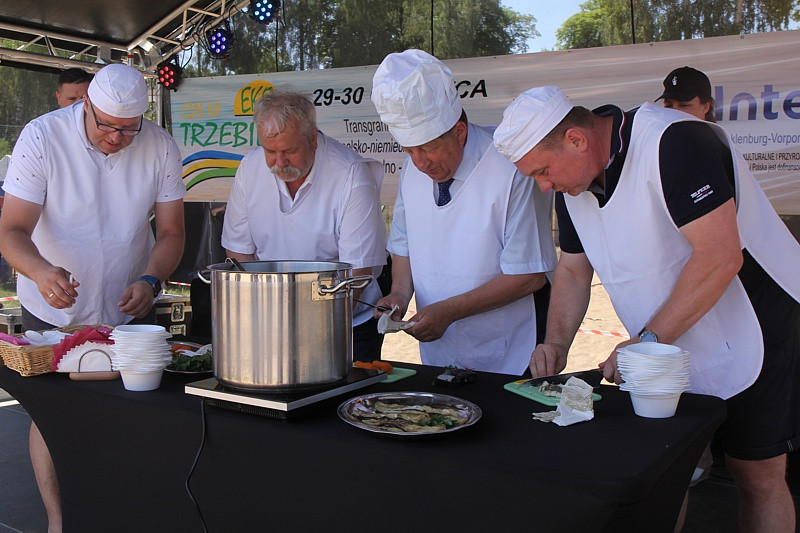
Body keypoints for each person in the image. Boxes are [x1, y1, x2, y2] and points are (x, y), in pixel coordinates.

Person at [493, 85, 800, 532]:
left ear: (577, 139)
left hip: (756, 322)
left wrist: (645, 343)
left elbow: (719, 256)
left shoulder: (675, 142)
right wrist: (555, 342)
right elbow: (575, 272)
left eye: (543, 171)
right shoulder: (572, 181)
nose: (544, 186)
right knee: (667, 471)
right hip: (663, 338)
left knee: (755, 472)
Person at [0, 63, 186, 532]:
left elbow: (171, 233)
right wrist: (41, 272)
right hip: (51, 304)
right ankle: (59, 522)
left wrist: (151, 280)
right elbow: (11, 231)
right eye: (107, 126)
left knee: (129, 413)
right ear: (85, 104)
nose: (118, 139)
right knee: (54, 416)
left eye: (128, 130)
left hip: (127, 305)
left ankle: (118, 515)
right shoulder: (42, 137)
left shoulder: (159, 143)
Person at [370, 50, 556, 375]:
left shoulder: (511, 169)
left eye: (427, 147)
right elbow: (403, 247)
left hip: (510, 349)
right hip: (438, 353)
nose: (420, 163)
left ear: (459, 131)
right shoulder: (412, 171)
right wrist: (398, 295)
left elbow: (529, 274)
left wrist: (450, 311)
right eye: (409, 150)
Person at [221, 90, 387, 362]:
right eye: (270, 151)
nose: (279, 162)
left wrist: (306, 331)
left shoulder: (351, 175)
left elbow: (356, 275)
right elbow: (239, 253)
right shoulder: (249, 168)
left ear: (313, 139)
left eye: (290, 151)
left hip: (346, 324)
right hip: (269, 323)